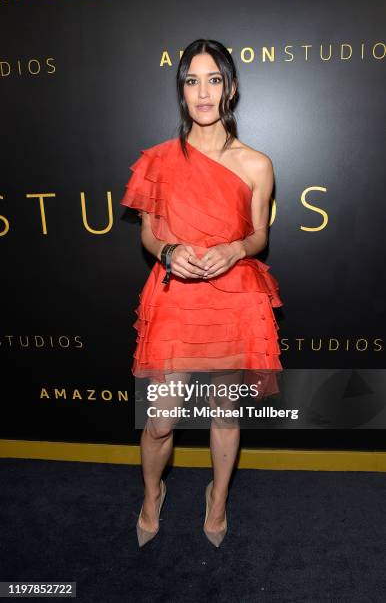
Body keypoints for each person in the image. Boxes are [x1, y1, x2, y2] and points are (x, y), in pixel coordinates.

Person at [120, 39, 283, 548]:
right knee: (161, 421)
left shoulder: (256, 163)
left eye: (214, 80)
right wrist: (169, 254)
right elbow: (149, 233)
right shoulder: (159, 161)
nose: (204, 92)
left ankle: (217, 501)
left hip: (234, 297)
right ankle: (153, 496)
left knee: (224, 414)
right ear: (181, 92)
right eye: (192, 81)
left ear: (230, 87)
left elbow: (259, 235)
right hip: (176, 297)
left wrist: (235, 250)